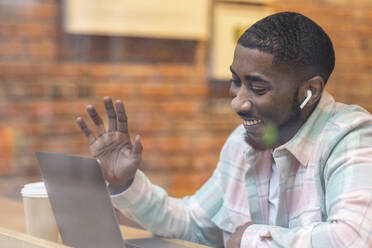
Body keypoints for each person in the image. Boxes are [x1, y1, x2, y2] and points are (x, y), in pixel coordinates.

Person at [76, 12, 372, 247]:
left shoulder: (350, 137)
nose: (239, 103)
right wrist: (127, 183)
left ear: (310, 91)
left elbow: (354, 239)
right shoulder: (243, 143)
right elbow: (194, 224)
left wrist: (250, 239)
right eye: (236, 82)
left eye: (257, 87)